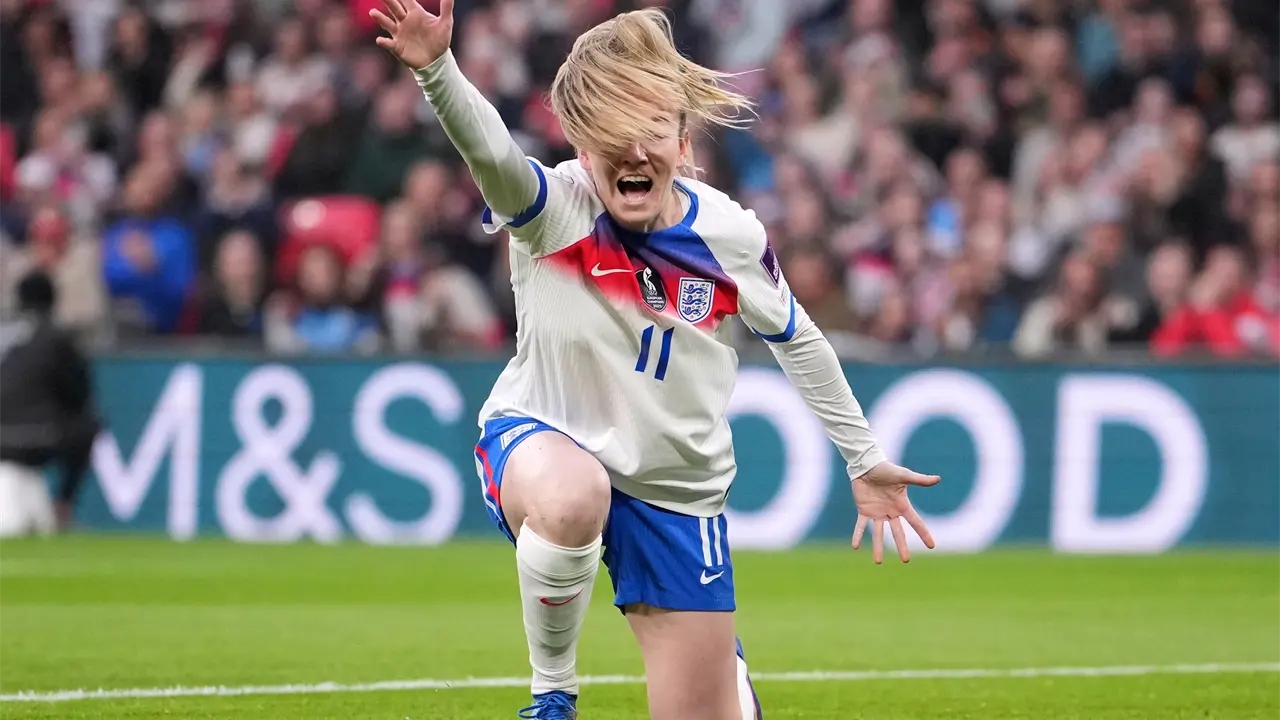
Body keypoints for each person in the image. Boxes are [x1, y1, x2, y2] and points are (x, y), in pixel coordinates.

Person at [371, 3, 941, 718]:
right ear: (582, 148)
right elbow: (489, 153)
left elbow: (796, 337)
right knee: (576, 496)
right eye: (611, 135)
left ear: (682, 141)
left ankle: (721, 669)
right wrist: (437, 70)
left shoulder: (729, 235)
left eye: (651, 132)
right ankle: (553, 697)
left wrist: (862, 458)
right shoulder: (555, 211)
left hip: (676, 495)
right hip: (544, 439)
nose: (633, 152)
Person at [0, 272, 100, 537]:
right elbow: (79, 394)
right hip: (39, 437)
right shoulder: (57, 338)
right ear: (52, 300)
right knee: (88, 426)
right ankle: (63, 504)